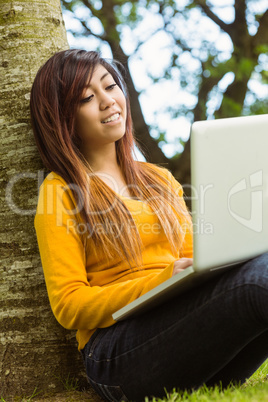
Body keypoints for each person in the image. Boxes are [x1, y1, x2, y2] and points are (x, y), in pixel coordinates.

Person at [30, 49, 268, 402]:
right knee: (260, 283)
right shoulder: (60, 191)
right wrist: (162, 279)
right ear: (63, 118)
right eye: (87, 97)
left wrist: (199, 268)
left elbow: (193, 258)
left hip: (184, 327)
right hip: (115, 355)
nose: (108, 101)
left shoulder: (160, 179)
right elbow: (68, 304)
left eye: (111, 86)